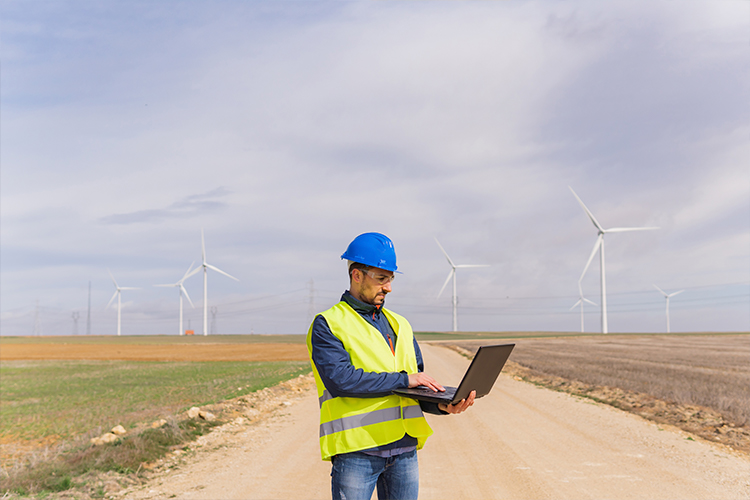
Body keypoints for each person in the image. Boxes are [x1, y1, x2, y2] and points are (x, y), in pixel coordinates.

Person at [307, 232, 475, 500]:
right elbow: (341, 380)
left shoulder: (401, 324)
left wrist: (442, 405)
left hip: (404, 451)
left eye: (391, 279)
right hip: (357, 452)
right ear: (356, 275)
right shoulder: (329, 324)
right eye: (381, 279)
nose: (388, 287)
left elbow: (414, 385)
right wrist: (405, 380)